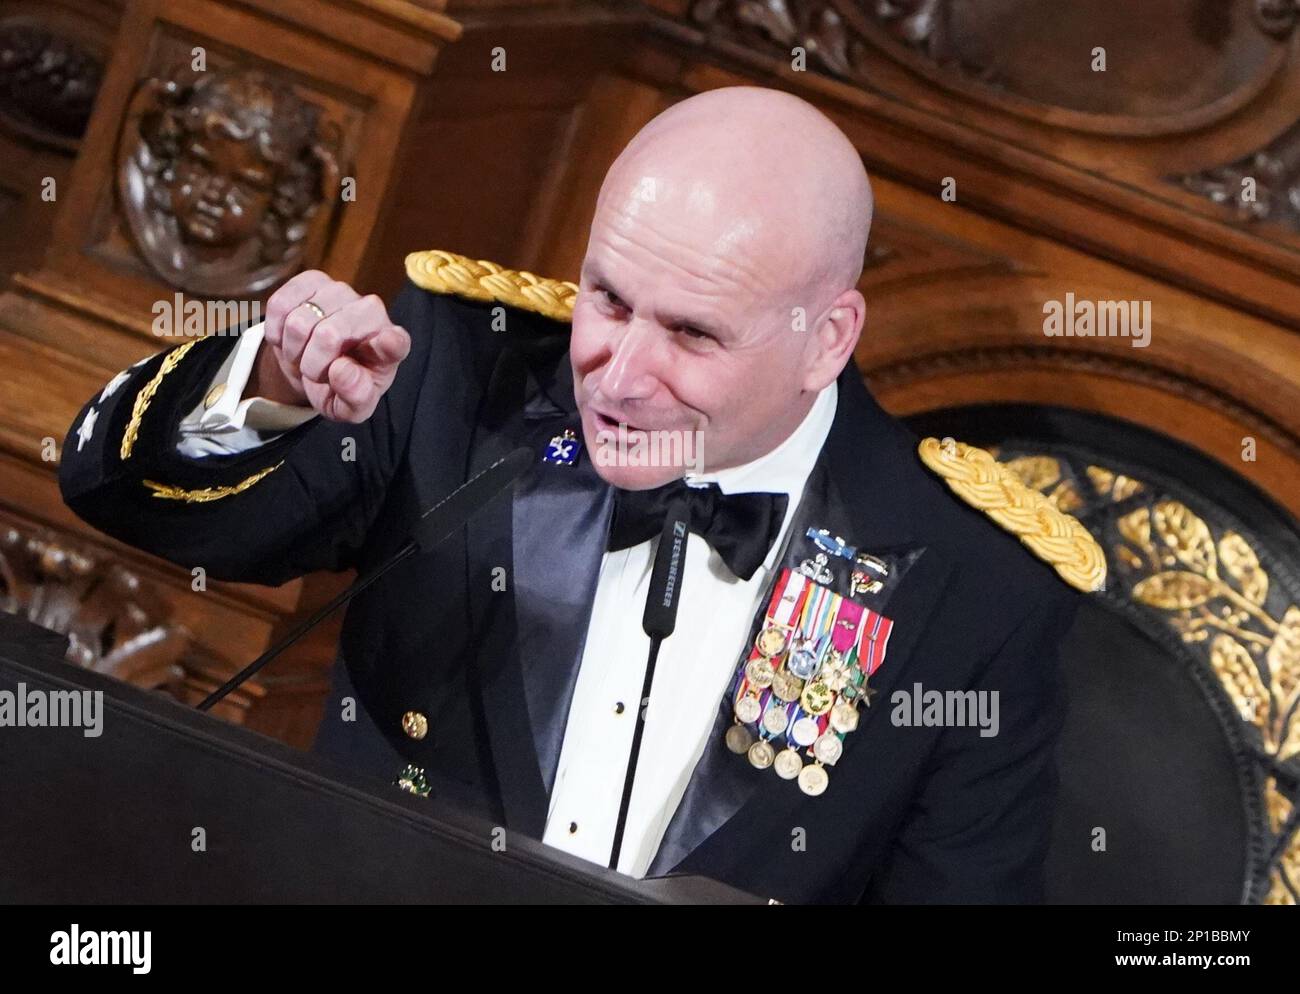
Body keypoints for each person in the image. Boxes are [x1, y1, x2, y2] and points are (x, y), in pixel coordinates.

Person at [59, 85, 1103, 903]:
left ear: (824, 339)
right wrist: (274, 383)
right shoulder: (461, 381)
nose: (616, 370)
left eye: (692, 333)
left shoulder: (971, 585)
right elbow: (122, 493)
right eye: (608, 296)